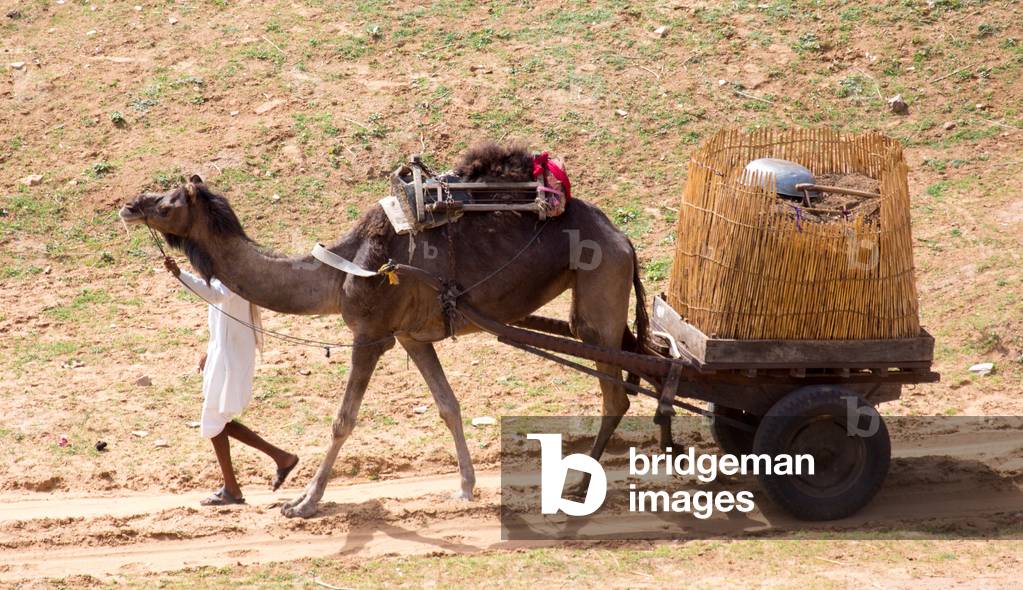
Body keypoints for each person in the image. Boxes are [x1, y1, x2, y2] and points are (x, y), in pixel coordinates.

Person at [163, 256, 299, 506]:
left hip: (232, 355)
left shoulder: (234, 270)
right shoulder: (228, 268)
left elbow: (215, 296)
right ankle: (279, 459)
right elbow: (219, 315)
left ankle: (234, 488)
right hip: (224, 351)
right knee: (217, 419)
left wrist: (179, 274)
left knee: (214, 419)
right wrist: (209, 350)